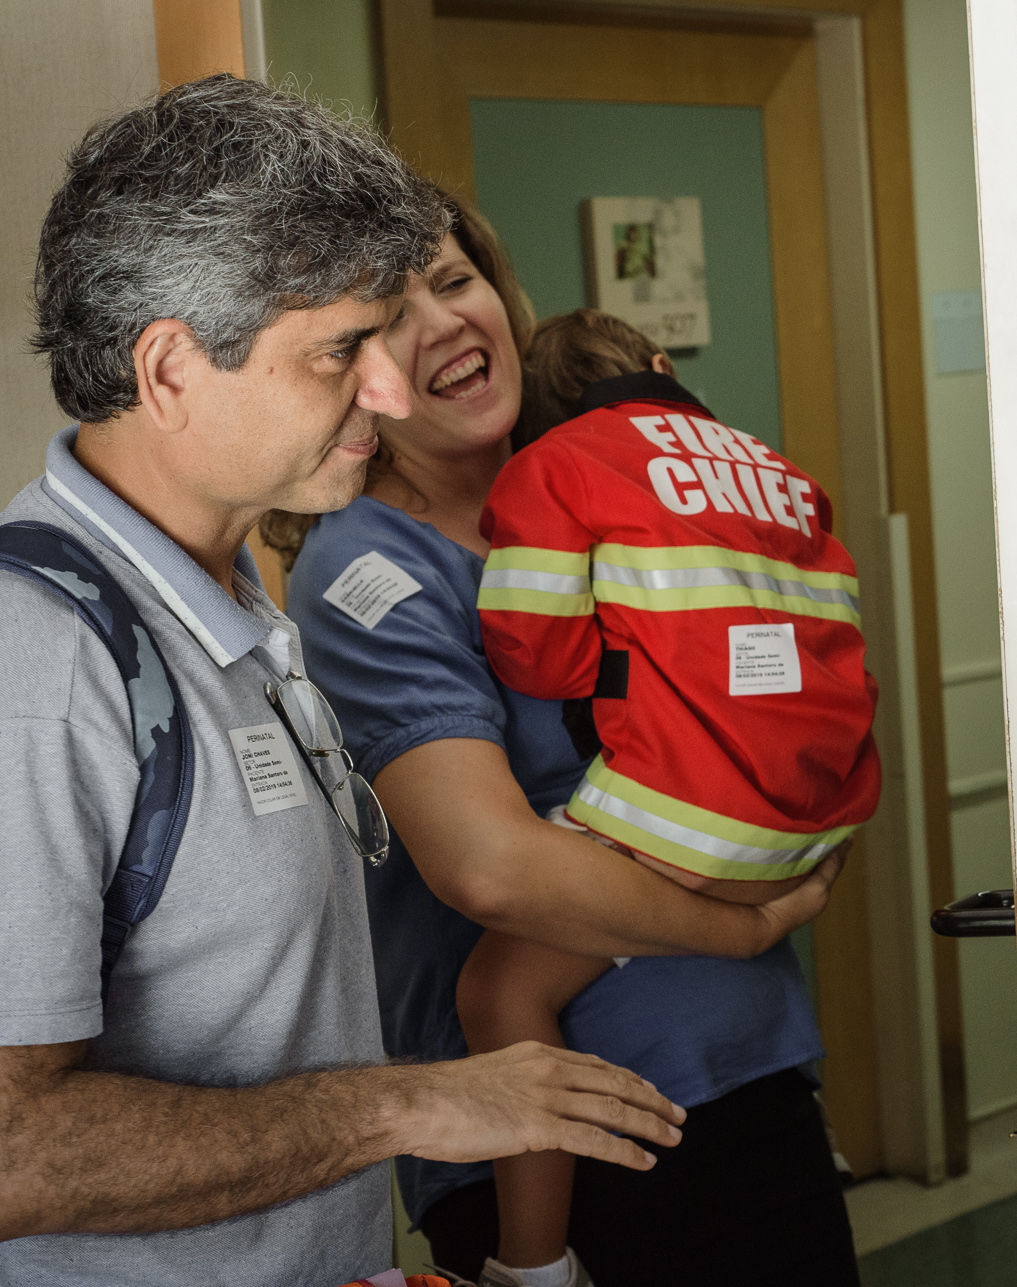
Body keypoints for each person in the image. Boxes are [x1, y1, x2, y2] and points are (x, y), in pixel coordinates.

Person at [0, 75, 690, 1286]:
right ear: (168, 369)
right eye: (339, 353)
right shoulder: (40, 663)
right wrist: (402, 1109)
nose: (386, 388)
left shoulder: (227, 595)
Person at [268, 210, 861, 1286]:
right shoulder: (367, 570)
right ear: (349, 375)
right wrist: (741, 921)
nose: (442, 322)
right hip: (574, 1133)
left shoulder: (609, 486)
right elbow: (490, 867)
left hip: (752, 1071)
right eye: (387, 315)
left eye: (454, 281)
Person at [458, 307, 880, 1283]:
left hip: (691, 825)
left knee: (499, 988)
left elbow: (535, 648)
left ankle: (530, 1266)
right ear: (658, 364)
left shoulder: (555, 464)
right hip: (823, 812)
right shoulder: (776, 469)